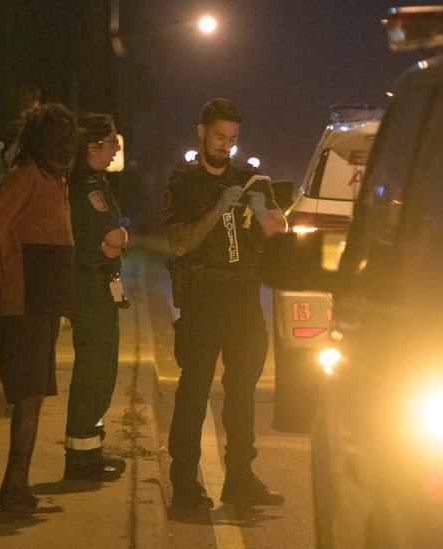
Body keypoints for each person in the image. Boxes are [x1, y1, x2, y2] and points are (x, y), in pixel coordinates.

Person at [163, 99, 288, 513]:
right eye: (220, 137)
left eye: (233, 139)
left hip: (244, 299)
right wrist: (218, 210)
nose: (226, 146)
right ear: (202, 132)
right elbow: (180, 242)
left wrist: (264, 211)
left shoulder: (249, 179)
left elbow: (277, 228)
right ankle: (184, 482)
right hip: (203, 297)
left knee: (242, 392)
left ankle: (240, 479)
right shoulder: (185, 182)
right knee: (194, 389)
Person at [0, 103, 77, 512]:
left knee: (34, 396)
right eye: (58, 138)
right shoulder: (27, 176)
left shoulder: (55, 179)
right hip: (22, 306)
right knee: (29, 396)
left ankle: (16, 485)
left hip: (42, 307)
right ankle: (13, 487)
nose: (65, 146)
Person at [63, 113, 130, 481]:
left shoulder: (92, 181)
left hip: (93, 284)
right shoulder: (86, 186)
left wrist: (116, 241)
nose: (116, 148)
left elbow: (116, 237)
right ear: (92, 147)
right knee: (96, 369)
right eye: (111, 142)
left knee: (99, 368)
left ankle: (89, 452)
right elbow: (114, 236)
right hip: (90, 287)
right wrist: (114, 242)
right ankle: (82, 461)